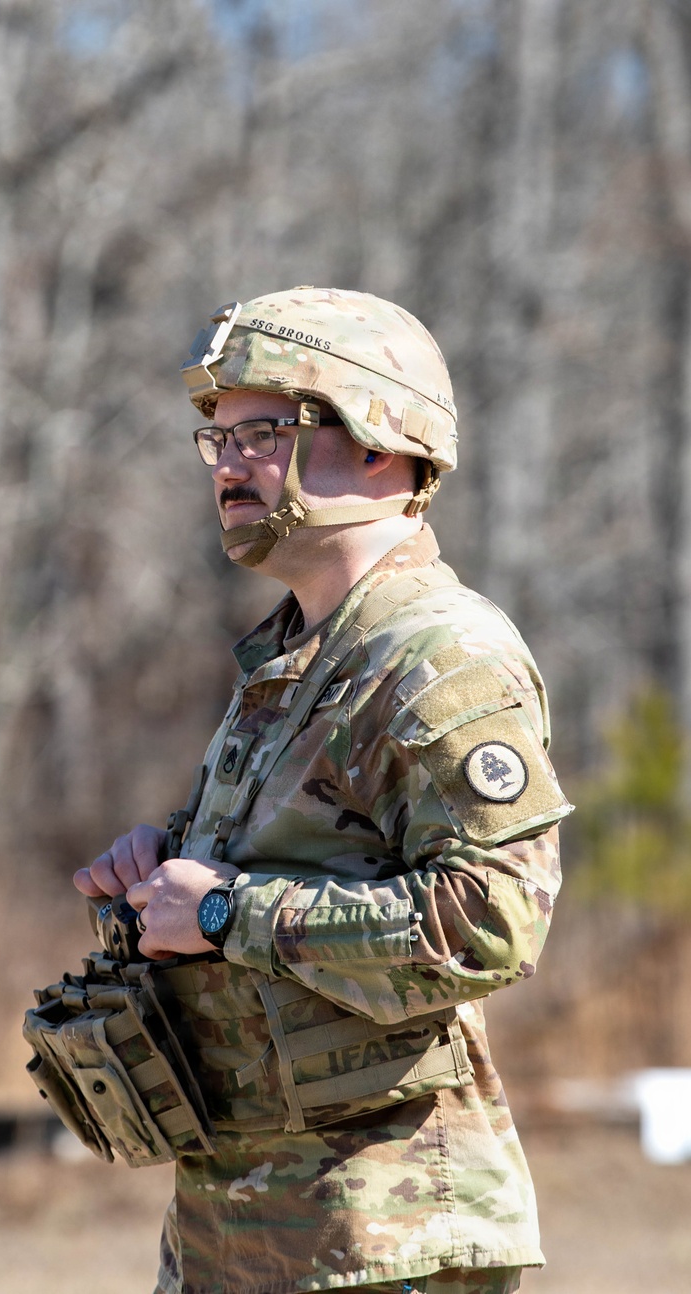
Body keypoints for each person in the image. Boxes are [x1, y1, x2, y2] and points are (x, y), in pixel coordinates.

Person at [71, 287, 571, 1294]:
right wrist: (161, 871)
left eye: (262, 430)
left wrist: (220, 909)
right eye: (211, 439)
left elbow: (487, 924)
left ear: (383, 443)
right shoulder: (297, 658)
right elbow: (312, 859)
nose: (225, 463)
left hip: (383, 1237)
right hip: (242, 1227)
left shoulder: (438, 654)